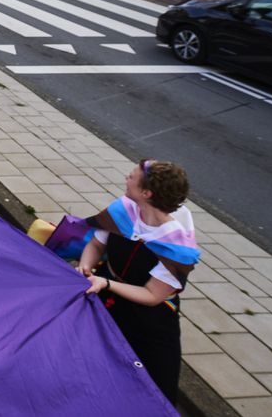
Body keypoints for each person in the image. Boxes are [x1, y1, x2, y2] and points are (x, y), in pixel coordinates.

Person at [78, 161, 200, 403]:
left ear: (147, 194)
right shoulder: (123, 210)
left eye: (132, 176)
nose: (126, 177)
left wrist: (107, 283)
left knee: (155, 388)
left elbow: (152, 295)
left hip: (148, 321)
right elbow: (96, 244)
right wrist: (85, 267)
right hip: (104, 296)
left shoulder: (177, 245)